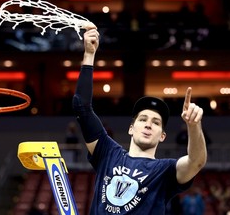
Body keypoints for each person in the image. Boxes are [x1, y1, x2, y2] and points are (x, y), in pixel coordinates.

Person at [72, 24, 207, 214]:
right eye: (143, 119)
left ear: (162, 136)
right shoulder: (108, 153)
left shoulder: (165, 170)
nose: (148, 124)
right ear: (131, 128)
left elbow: (196, 161)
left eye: (156, 122)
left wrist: (194, 126)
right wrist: (89, 54)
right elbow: (81, 106)